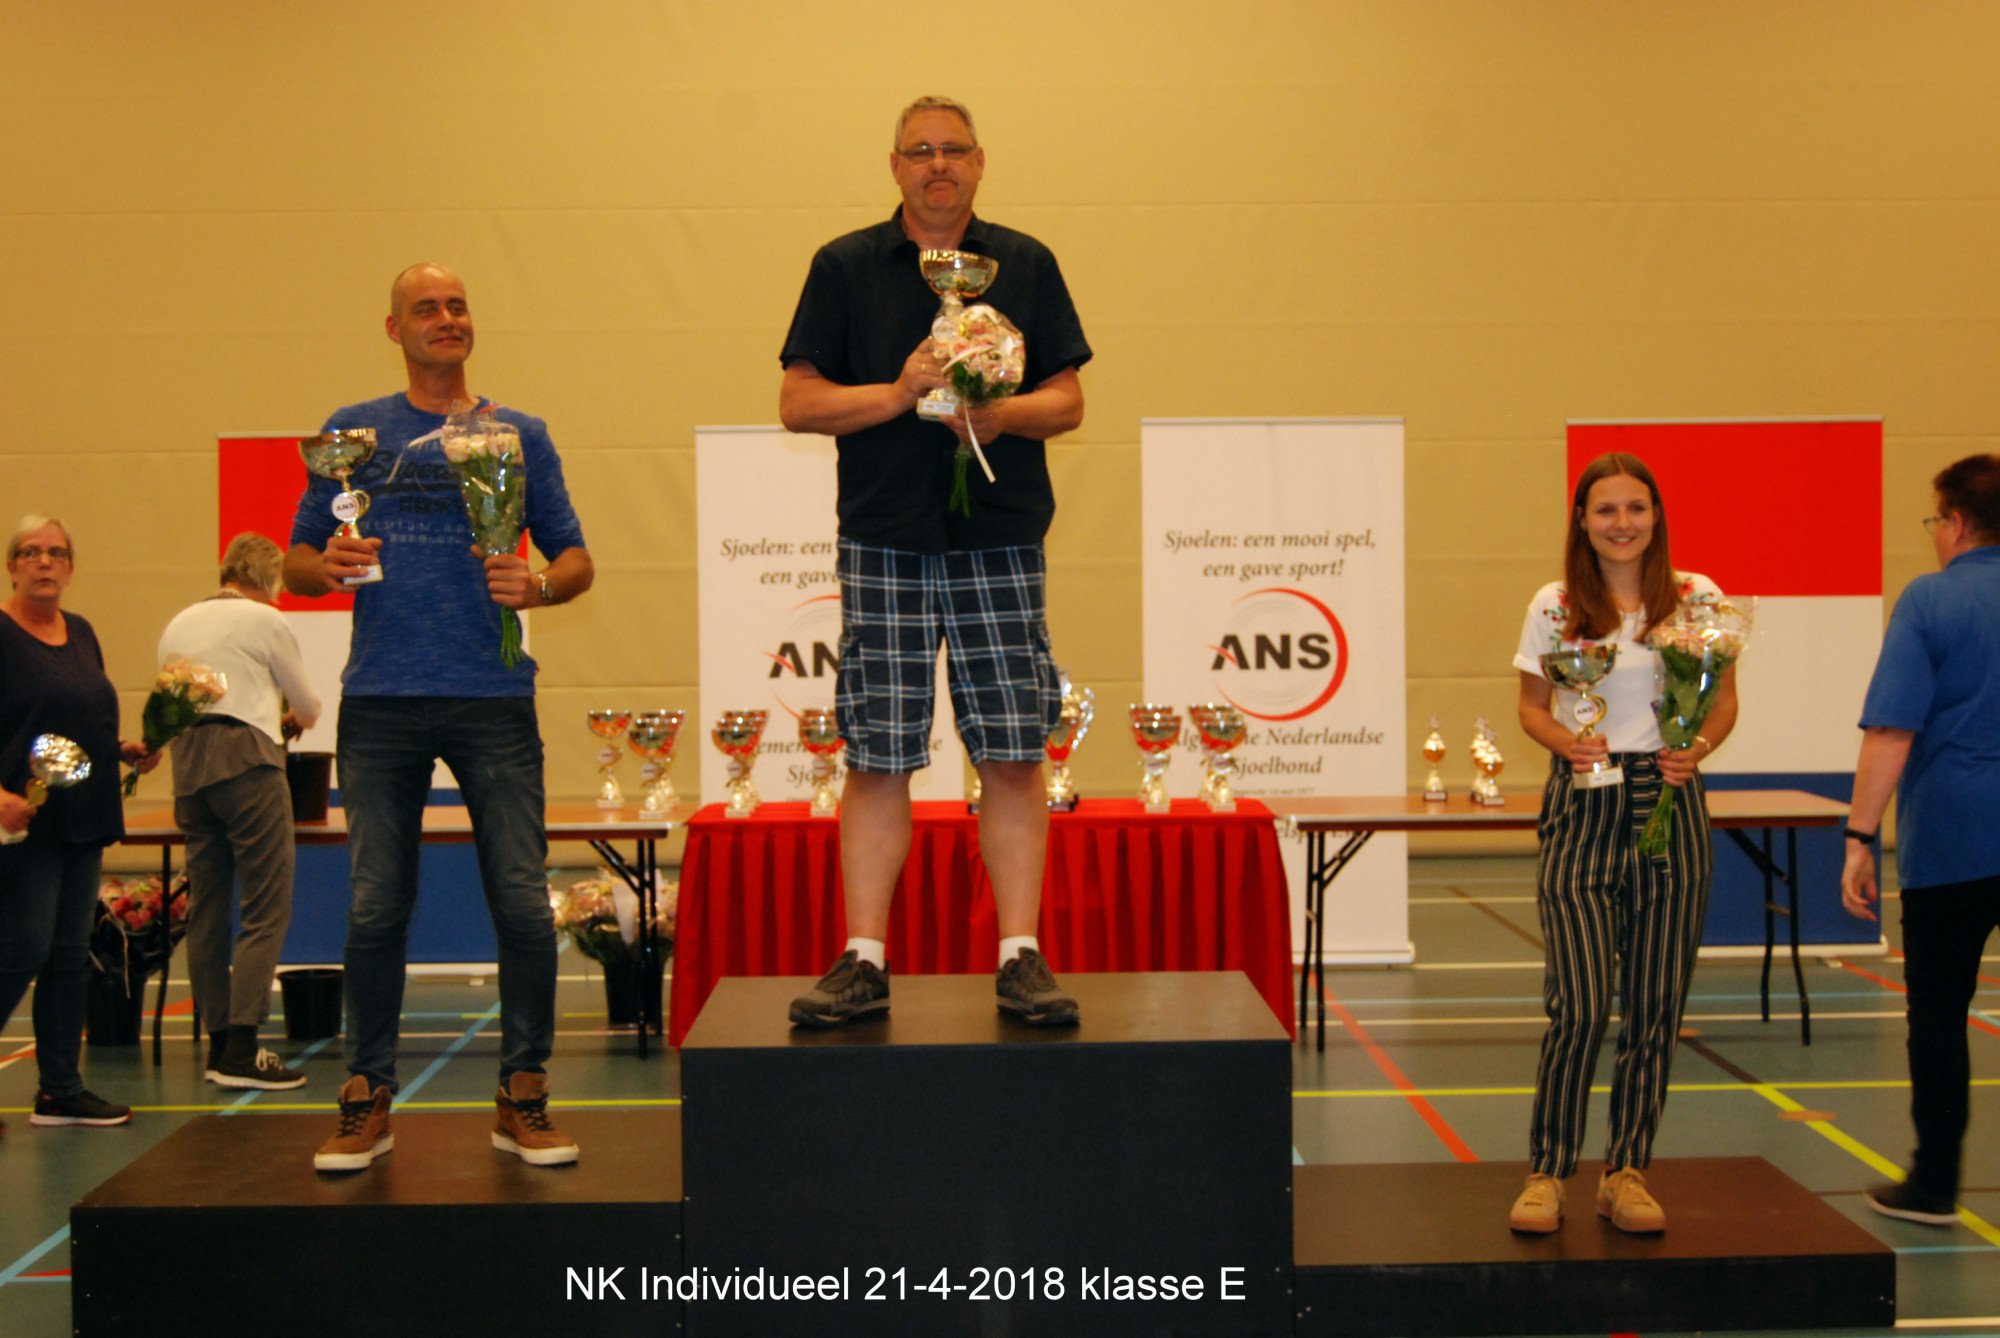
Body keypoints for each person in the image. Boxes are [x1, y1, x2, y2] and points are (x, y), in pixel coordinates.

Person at [777, 95, 1091, 1028]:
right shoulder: (844, 266)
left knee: (1012, 749)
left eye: (953, 149)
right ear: (895, 166)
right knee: (878, 753)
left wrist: (998, 415)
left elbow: (1068, 402)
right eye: (921, 150)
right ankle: (864, 957)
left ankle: (1020, 955)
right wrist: (901, 390)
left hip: (999, 533)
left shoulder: (1025, 263)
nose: (938, 164)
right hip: (885, 537)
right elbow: (798, 403)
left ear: (980, 162)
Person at [284, 262, 594, 1172]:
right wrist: (325, 567)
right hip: (381, 697)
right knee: (378, 903)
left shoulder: (520, 435)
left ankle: (522, 1093)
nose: (446, 318)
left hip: (493, 697)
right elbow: (296, 559)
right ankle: (366, 1096)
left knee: (523, 904)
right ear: (395, 329)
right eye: (426, 308)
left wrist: (539, 586)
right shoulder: (355, 434)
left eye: (457, 306)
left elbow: (576, 559)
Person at [1506, 453, 1739, 1235]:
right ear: (1582, 520)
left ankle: (1627, 1171)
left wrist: (1696, 748)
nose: (1622, 523)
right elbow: (1533, 708)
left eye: (1636, 508)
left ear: (1656, 515)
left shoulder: (1697, 598)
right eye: (1605, 510)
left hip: (1670, 801)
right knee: (1578, 1005)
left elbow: (1723, 701)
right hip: (1584, 804)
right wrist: (1567, 744)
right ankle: (1547, 1172)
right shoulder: (1555, 604)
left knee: (1654, 1005)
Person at [1841, 453, 2000, 1227]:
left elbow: (1891, 730)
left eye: (1936, 520)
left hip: (1955, 841)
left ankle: (1935, 1182)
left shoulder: (1931, 600)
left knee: (1938, 1013)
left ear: (1957, 524)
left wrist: (1859, 835)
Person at [0, 516, 157, 1131]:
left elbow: (80, 719)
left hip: (84, 816)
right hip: (25, 825)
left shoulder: (82, 631)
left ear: (69, 567)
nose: (45, 562)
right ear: (12, 566)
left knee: (69, 956)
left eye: (56, 552)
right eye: (31, 552)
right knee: (23, 949)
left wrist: (122, 749)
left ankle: (60, 1090)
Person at [157, 532, 322, 1090]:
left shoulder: (179, 623)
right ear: (269, 578)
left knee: (207, 907)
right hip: (248, 761)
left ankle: (218, 1040)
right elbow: (308, 703)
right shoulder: (264, 619)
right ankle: (244, 1049)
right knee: (266, 905)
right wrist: (293, 719)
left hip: (189, 766)